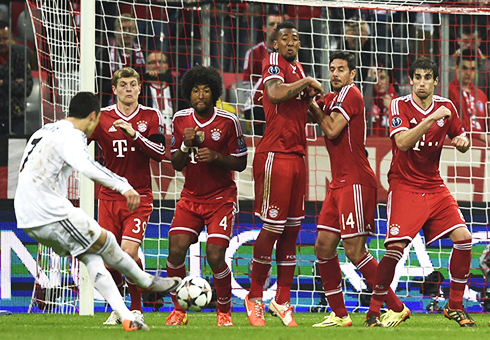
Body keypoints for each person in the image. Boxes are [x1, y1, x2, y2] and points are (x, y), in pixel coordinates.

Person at [14, 92, 181, 332]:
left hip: (26, 214)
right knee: (107, 241)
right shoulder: (71, 135)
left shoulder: (44, 131)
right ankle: (147, 281)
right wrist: (124, 186)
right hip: (49, 212)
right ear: (93, 117)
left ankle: (126, 316)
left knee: (91, 256)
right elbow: (87, 166)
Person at [365, 57, 474, 327]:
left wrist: (462, 142)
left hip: (433, 185)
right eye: (418, 77)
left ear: (436, 81)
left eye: (428, 77)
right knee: (394, 250)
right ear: (411, 80)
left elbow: (461, 136)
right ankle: (374, 311)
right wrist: (430, 119)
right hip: (404, 185)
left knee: (464, 238)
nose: (422, 82)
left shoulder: (446, 107)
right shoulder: (398, 105)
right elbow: (401, 142)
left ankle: (455, 306)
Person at [307, 51, 409, 328]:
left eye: (341, 69)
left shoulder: (352, 94)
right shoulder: (331, 98)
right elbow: (312, 108)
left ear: (352, 74)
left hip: (355, 181)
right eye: (332, 69)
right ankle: (340, 315)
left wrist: (311, 104)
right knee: (323, 247)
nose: (335, 74)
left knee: (354, 251)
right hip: (337, 182)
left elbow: (330, 128)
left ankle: (397, 307)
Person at [245, 21, 323, 327]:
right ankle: (254, 298)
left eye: (295, 38)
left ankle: (282, 299)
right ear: (275, 44)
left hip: (298, 156)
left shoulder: (301, 70)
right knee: (273, 228)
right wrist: (306, 85)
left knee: (292, 231)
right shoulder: (273, 63)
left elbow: (311, 111)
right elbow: (276, 94)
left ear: (300, 44)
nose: (290, 42)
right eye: (284, 38)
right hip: (275, 155)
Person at [165, 65, 248, 327]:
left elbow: (241, 162)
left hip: (221, 199)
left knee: (214, 255)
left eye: (206, 90)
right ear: (188, 94)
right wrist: (185, 145)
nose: (200, 95)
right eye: (195, 90)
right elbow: (176, 163)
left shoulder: (229, 121)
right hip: (191, 197)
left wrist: (216, 157)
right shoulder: (180, 120)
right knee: (175, 251)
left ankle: (223, 313)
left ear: (214, 94)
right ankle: (178, 311)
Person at [89, 67, 166, 325]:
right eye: (123, 85)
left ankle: (135, 308)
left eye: (133, 84)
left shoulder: (149, 115)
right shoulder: (102, 118)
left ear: (140, 88)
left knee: (127, 253)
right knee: (111, 259)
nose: (129, 89)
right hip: (109, 198)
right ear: (114, 89)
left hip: (139, 196)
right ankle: (120, 308)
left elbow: (159, 152)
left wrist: (135, 134)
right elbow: (79, 142)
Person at [242, 13, 282, 136]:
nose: (275, 27)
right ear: (264, 27)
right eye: (271, 24)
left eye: (279, 25)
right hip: (259, 107)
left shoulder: (291, 54)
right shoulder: (253, 53)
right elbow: (247, 87)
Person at [96, 13, 145, 107]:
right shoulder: (104, 54)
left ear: (135, 32)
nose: (126, 33)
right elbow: (100, 83)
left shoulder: (143, 53)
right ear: (115, 31)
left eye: (130, 29)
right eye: (123, 29)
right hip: (109, 103)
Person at [449, 48, 489, 145]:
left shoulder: (481, 95)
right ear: (457, 67)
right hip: (456, 147)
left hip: (481, 149)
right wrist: (479, 135)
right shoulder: (447, 92)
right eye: (464, 68)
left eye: (472, 69)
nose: (468, 73)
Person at [0, 20, 33, 135]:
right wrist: (14, 82)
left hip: (16, 117)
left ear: (11, 38)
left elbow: (27, 88)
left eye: (5, 39)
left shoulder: (20, 57)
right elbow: (20, 86)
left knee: (18, 152)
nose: (2, 43)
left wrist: (3, 83)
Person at [143, 51, 175, 135]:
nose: (157, 65)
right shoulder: (141, 90)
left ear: (167, 66)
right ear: (146, 66)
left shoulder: (176, 89)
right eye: (152, 63)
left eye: (160, 62)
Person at [365, 68, 398, 137]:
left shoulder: (397, 98)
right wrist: (369, 79)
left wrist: (391, 107)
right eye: (375, 79)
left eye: (382, 78)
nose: (379, 83)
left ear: (388, 79)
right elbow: (365, 107)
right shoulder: (368, 96)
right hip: (370, 142)